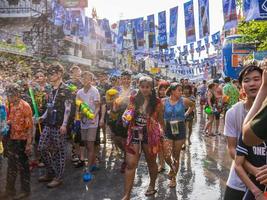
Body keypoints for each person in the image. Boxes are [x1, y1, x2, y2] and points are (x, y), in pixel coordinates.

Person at [224, 64, 263, 200]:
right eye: (247, 80)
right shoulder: (233, 113)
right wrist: (254, 170)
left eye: (256, 79)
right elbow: (231, 148)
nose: (252, 83)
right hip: (238, 182)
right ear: (241, 86)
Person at [122, 76, 164, 200]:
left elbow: (160, 119)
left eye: (147, 87)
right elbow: (128, 111)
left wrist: (164, 134)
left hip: (150, 135)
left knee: (151, 162)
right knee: (131, 164)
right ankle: (127, 195)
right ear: (139, 87)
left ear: (152, 88)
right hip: (134, 132)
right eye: (142, 87)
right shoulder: (134, 99)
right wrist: (126, 116)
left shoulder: (157, 102)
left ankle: (152, 184)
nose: (145, 89)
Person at [38, 64, 72, 188]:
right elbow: (49, 106)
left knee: (59, 151)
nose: (49, 76)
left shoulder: (67, 89)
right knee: (41, 147)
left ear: (59, 74)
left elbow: (68, 108)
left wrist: (64, 124)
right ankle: (50, 172)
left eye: (52, 73)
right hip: (48, 123)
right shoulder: (50, 89)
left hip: (59, 125)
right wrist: (43, 116)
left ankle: (58, 177)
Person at [1, 83, 33, 199]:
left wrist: (29, 144)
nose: (8, 97)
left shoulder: (25, 106)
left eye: (10, 95)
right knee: (11, 166)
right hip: (12, 139)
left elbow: (30, 127)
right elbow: (9, 119)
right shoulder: (10, 105)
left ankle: (26, 190)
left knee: (23, 167)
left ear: (17, 94)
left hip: (22, 140)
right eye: (8, 95)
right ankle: (10, 190)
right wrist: (6, 123)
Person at [162, 82, 194, 188]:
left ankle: (173, 178)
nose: (181, 92)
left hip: (180, 129)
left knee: (176, 156)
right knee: (166, 154)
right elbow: (157, 114)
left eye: (181, 90)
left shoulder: (184, 100)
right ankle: (171, 168)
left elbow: (192, 106)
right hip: (167, 129)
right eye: (179, 90)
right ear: (172, 91)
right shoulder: (163, 102)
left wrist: (185, 114)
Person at [76, 71, 100, 171]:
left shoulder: (95, 91)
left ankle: (88, 169)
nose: (85, 80)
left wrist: (93, 116)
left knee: (90, 145)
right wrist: (78, 116)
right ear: (81, 79)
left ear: (91, 80)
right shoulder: (79, 92)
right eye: (83, 78)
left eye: (88, 78)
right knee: (86, 144)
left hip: (93, 122)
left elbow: (98, 107)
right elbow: (78, 107)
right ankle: (94, 163)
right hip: (83, 121)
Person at [156, 81, 169, 173]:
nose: (163, 92)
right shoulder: (156, 100)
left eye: (165, 90)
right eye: (161, 90)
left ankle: (171, 165)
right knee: (159, 146)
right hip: (158, 124)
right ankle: (161, 164)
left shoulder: (172, 100)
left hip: (169, 124)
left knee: (168, 146)